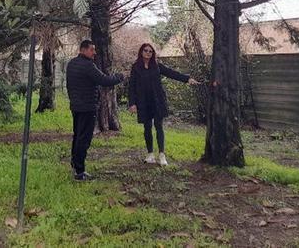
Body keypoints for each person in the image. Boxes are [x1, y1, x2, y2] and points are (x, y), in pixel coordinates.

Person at [128, 42, 199, 166]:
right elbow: (132, 86)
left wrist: (187, 79)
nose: (148, 53)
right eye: (146, 50)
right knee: (147, 127)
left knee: (159, 126)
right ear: (141, 52)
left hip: (157, 100)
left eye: (150, 51)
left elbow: (172, 73)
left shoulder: (157, 65)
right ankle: (150, 154)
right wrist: (132, 103)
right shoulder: (135, 67)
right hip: (143, 101)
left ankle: (162, 155)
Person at [65, 39, 125, 181]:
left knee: (77, 135)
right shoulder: (88, 65)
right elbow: (104, 80)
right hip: (87, 106)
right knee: (84, 138)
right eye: (92, 49)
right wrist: (119, 77)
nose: (94, 53)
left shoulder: (71, 64)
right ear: (83, 50)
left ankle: (75, 164)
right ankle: (80, 172)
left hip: (76, 106)